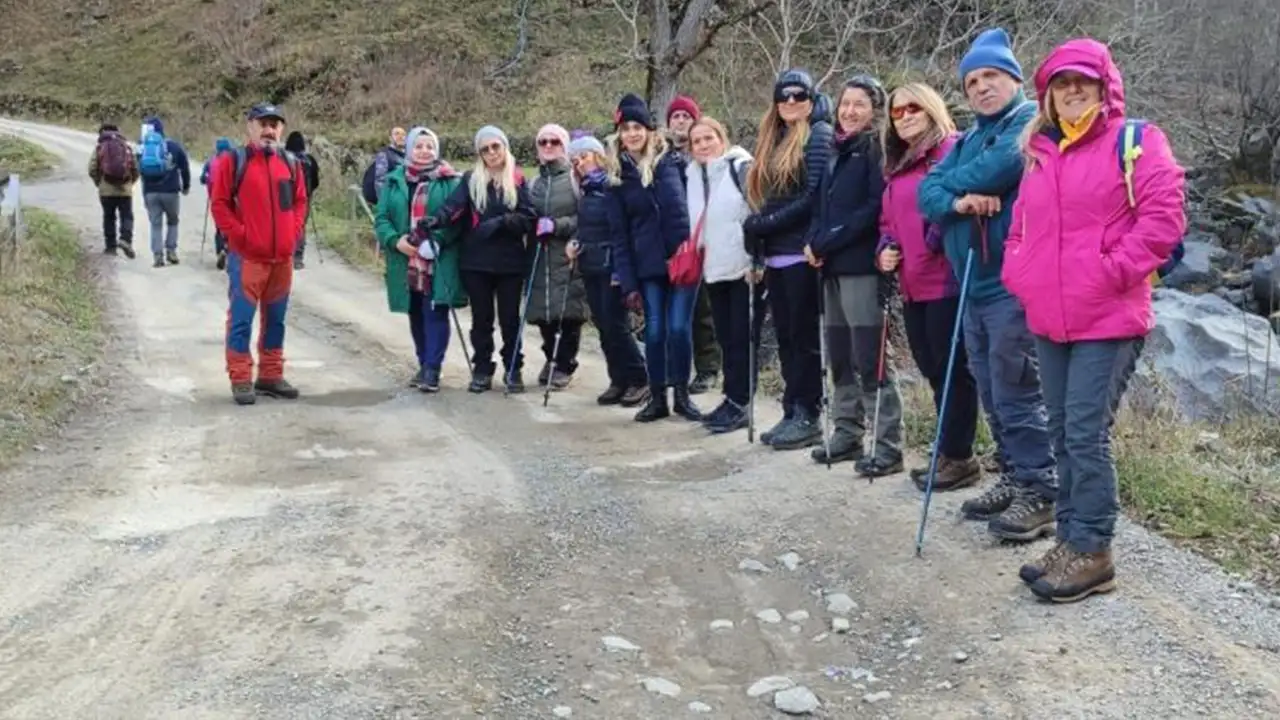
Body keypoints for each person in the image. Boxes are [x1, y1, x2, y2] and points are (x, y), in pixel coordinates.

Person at [1003, 38, 1186, 602]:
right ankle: (1070, 539)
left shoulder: (1137, 141)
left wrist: (1110, 272)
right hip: (1050, 318)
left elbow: (1164, 217)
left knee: (1085, 433)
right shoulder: (1039, 153)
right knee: (1060, 429)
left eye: (1084, 80)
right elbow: (1020, 232)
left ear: (1106, 88)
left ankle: (1094, 550)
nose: (1073, 90)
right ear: (1048, 96)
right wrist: (1021, 275)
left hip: (1108, 315)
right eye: (1061, 83)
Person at [918, 28, 1058, 542]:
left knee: (1017, 389)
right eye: (972, 80)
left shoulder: (1027, 124)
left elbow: (1002, 167)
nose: (980, 87)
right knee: (993, 391)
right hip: (971, 284)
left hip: (1010, 285)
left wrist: (956, 184)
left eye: (991, 76)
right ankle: (1014, 477)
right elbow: (927, 194)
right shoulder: (970, 137)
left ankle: (1041, 491)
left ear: (1016, 79)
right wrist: (959, 201)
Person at [877, 83, 982, 491]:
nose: (904, 116)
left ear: (932, 108)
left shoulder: (951, 150)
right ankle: (948, 450)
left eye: (913, 108)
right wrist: (885, 248)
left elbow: (960, 201)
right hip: (912, 282)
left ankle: (960, 456)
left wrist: (937, 235)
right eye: (897, 112)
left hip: (947, 277)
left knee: (953, 369)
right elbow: (888, 222)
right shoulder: (898, 164)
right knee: (932, 369)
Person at [805, 74, 904, 476]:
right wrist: (813, 240)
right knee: (841, 355)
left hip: (863, 268)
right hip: (831, 268)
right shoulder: (836, 150)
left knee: (871, 357)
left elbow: (871, 210)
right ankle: (848, 433)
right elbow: (821, 205)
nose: (849, 111)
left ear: (875, 110)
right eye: (845, 104)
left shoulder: (876, 150)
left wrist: (826, 240)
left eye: (859, 104)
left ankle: (888, 446)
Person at [743, 68, 834, 451]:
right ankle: (791, 408)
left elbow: (814, 196)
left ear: (811, 100)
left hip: (801, 253)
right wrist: (759, 240)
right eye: (785, 97)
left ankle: (808, 413)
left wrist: (766, 223)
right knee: (785, 338)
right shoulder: (773, 138)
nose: (791, 103)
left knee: (803, 338)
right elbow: (769, 198)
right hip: (776, 256)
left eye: (799, 96)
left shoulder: (818, 136)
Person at [606, 93, 699, 423]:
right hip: (647, 265)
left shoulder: (673, 163)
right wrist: (628, 281)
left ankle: (683, 395)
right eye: (626, 127)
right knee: (656, 331)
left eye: (637, 126)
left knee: (678, 328)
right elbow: (619, 234)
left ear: (648, 129)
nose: (632, 133)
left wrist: (694, 245)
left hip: (683, 258)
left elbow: (696, 204)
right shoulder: (617, 179)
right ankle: (658, 396)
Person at [422, 125, 535, 394]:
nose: (491, 152)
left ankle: (513, 367)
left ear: (505, 147)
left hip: (509, 262)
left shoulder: (517, 180)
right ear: (480, 154)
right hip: (476, 261)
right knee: (481, 319)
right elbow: (454, 207)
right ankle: (482, 368)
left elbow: (528, 217)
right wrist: (436, 219)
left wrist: (501, 222)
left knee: (509, 319)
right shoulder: (471, 180)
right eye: (485, 149)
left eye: (495, 146)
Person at [208, 103, 308, 405]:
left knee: (276, 320)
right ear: (250, 126)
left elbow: (301, 202)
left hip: (281, 259)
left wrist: (293, 231)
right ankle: (240, 377)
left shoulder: (291, 164)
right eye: (263, 123)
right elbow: (220, 204)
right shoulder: (233, 161)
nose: (269, 130)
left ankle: (270, 375)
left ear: (281, 130)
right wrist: (240, 235)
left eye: (275, 124)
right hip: (248, 257)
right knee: (241, 319)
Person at [375, 126, 467, 392]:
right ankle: (422, 362)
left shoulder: (450, 181)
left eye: (430, 146)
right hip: (406, 259)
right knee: (415, 312)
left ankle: (432, 368)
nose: (424, 151)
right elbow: (382, 218)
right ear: (409, 149)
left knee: (435, 311)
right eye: (419, 146)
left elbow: (458, 219)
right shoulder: (394, 180)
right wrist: (395, 240)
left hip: (438, 259)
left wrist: (436, 241)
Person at [685, 116, 761, 434]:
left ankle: (742, 403)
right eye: (697, 141)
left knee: (743, 339)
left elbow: (759, 211)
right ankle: (731, 398)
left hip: (743, 268)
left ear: (722, 138)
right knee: (727, 339)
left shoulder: (740, 168)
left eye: (708, 138)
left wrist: (758, 260)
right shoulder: (697, 177)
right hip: (714, 268)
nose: (703, 145)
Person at [567, 135, 651, 407]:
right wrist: (576, 241)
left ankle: (639, 377)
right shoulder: (587, 190)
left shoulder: (611, 185)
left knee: (616, 325)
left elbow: (620, 228)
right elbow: (587, 225)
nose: (579, 163)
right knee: (603, 325)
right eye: (575, 160)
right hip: (591, 262)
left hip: (613, 263)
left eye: (584, 156)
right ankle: (618, 379)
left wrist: (621, 268)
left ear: (598, 155)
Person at [666, 95, 722, 394]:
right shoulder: (662, 155)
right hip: (674, 244)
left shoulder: (704, 156)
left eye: (686, 117)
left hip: (704, 240)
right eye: (675, 117)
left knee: (703, 309)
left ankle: (708, 368)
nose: (680, 121)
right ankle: (675, 370)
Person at [527, 123, 588, 390]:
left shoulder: (576, 179)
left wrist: (557, 225)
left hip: (568, 255)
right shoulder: (534, 183)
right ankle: (551, 358)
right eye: (543, 142)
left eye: (555, 141)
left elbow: (587, 217)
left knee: (568, 313)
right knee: (545, 314)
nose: (549, 146)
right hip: (540, 257)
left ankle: (565, 363)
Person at [137, 115, 191, 267]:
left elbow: (138, 170)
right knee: (173, 221)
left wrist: (144, 194)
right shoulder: (173, 146)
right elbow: (185, 167)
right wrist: (186, 186)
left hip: (150, 192)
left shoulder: (142, 147)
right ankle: (171, 251)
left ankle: (157, 255)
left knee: (155, 224)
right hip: (171, 191)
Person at [87, 123, 139, 259]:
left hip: (106, 190)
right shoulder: (126, 146)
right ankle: (125, 239)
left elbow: (92, 168)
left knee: (109, 217)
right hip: (125, 190)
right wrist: (130, 182)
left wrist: (100, 183)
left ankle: (110, 247)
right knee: (127, 216)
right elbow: (135, 168)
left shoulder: (100, 147)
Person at [285, 131, 322, 270]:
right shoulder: (310, 160)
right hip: (305, 197)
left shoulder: (283, 158)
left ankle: (286, 254)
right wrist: (309, 191)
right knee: (300, 225)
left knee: (285, 224)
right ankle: (298, 257)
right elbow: (316, 181)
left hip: (285, 197)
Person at [200, 137, 236, 270]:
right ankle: (228, 250)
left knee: (219, 227)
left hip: (215, 199)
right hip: (232, 200)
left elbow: (203, 179)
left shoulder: (211, 161)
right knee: (232, 226)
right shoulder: (233, 161)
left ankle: (220, 250)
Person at [371, 126, 407, 203]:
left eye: (403, 134)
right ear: (390, 138)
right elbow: (380, 181)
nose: (401, 137)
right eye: (397, 134)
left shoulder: (409, 156)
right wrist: (384, 203)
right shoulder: (384, 154)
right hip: (392, 199)